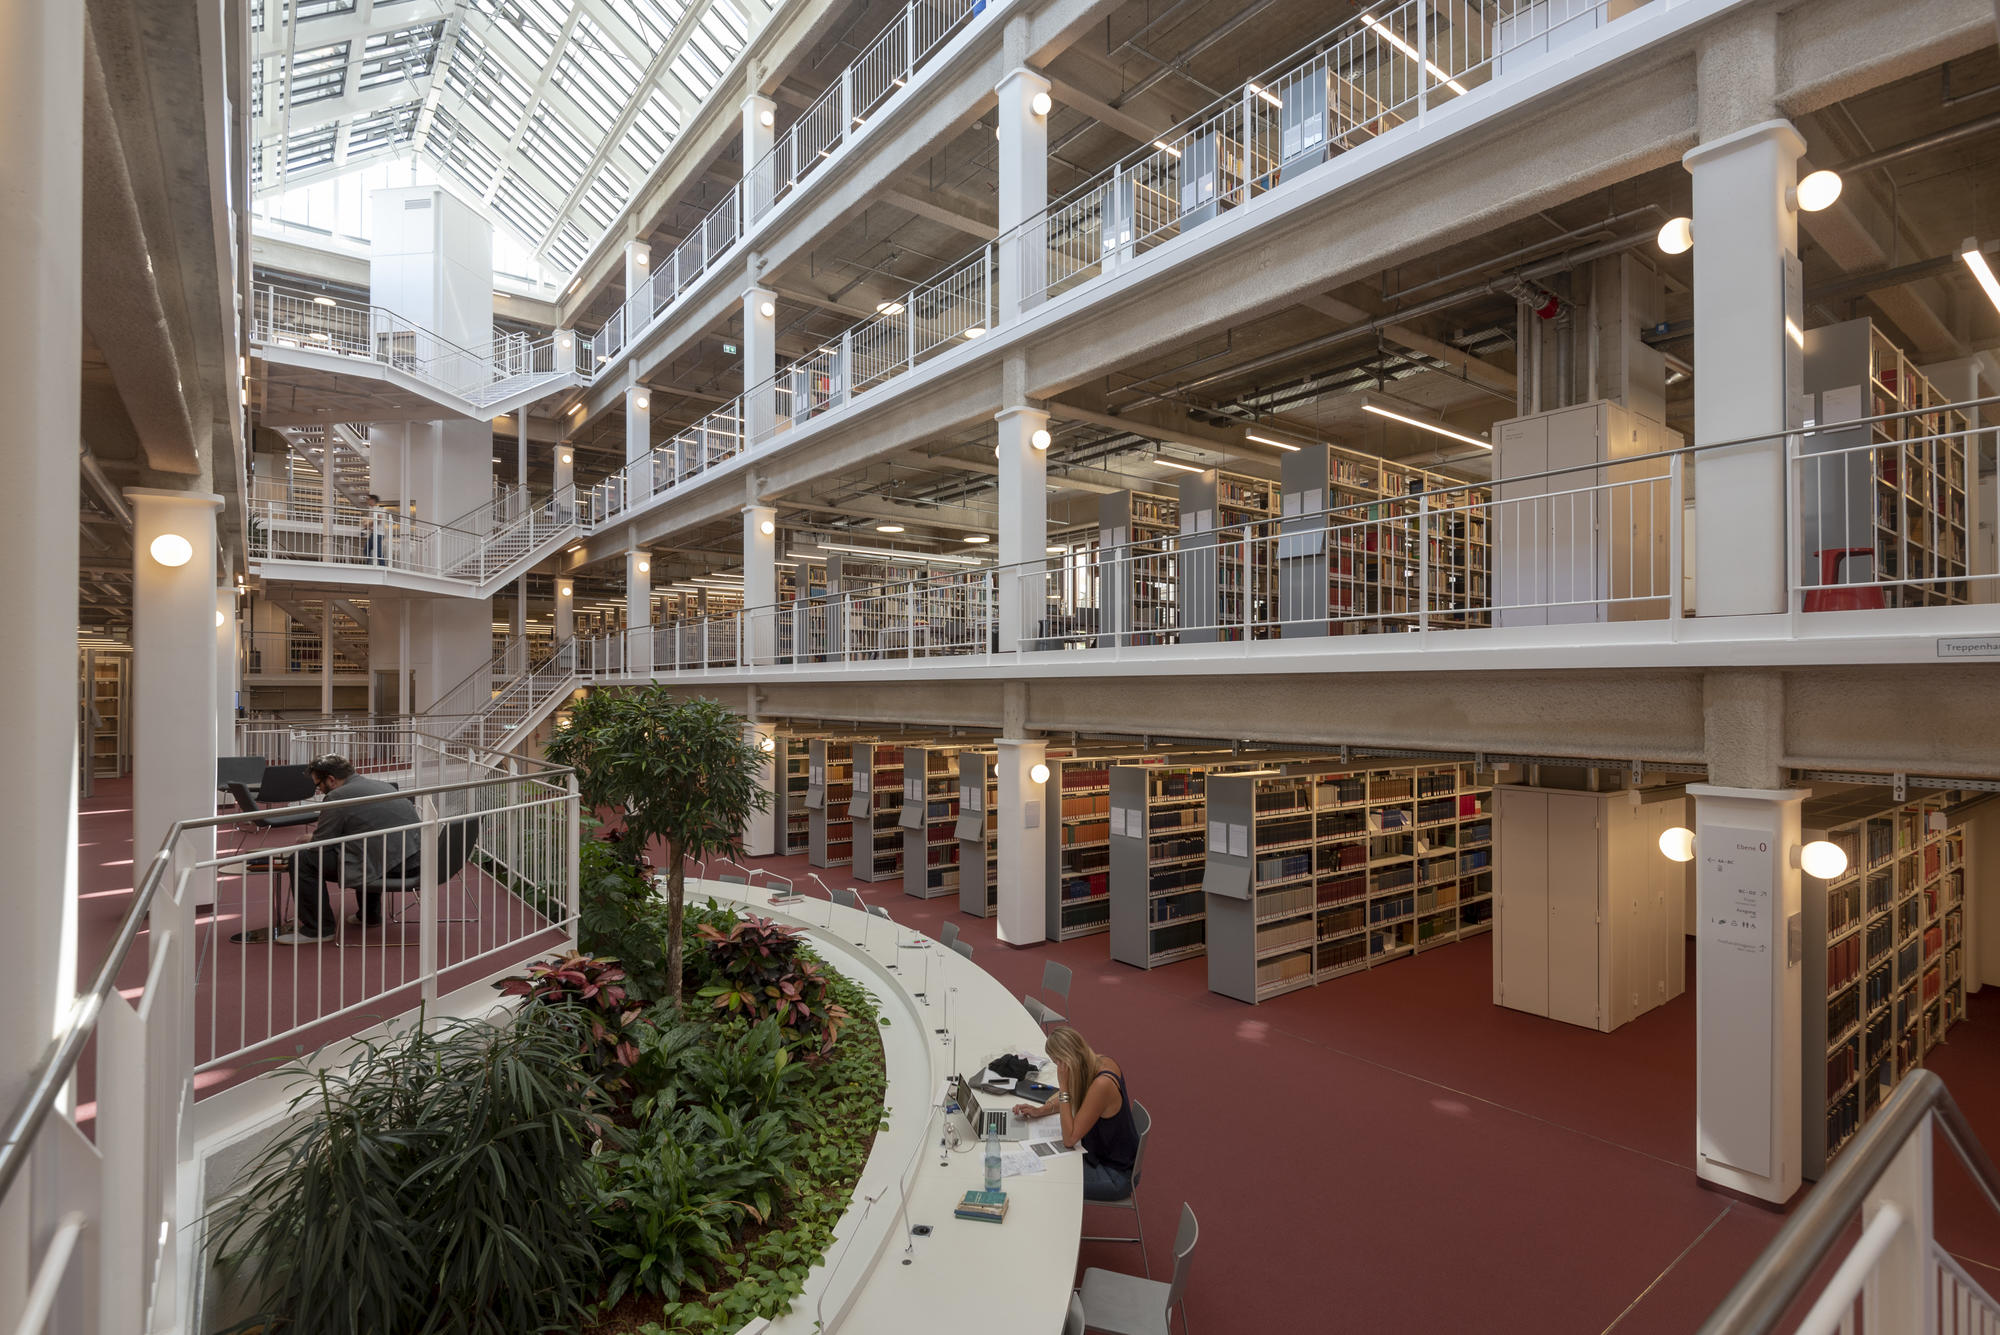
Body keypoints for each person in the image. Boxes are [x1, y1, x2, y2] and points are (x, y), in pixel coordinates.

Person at [260, 754, 421, 944]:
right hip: (416, 860)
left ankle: (317, 929)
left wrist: (309, 838)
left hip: (393, 867)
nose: (318, 790)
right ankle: (370, 915)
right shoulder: (382, 785)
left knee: (303, 859)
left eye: (318, 784)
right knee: (367, 848)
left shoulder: (337, 796)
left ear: (331, 779)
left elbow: (321, 844)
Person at [1014, 1026, 1140, 1202]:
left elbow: (1070, 1138)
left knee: (1043, 1177)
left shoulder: (1102, 1084)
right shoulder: (1099, 1061)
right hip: (1107, 1156)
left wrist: (1063, 1085)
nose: (1058, 1069)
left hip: (1115, 1174)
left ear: (1067, 1060)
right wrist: (1040, 1110)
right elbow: (1075, 1096)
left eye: (1058, 1063)